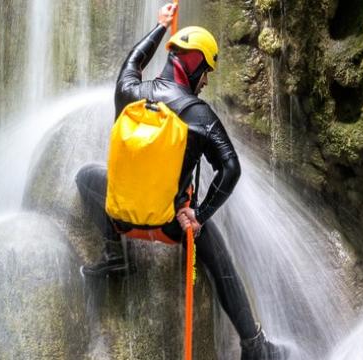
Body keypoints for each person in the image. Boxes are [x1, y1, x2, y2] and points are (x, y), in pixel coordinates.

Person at [75, 3, 287, 359]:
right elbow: (231, 169)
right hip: (171, 226)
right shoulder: (198, 115)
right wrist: (200, 216)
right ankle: (255, 346)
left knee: (84, 177)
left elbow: (133, 61)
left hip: (121, 218)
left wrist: (161, 27)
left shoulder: (128, 92)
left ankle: (115, 254)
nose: (206, 80)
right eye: (206, 70)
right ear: (193, 65)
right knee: (219, 259)